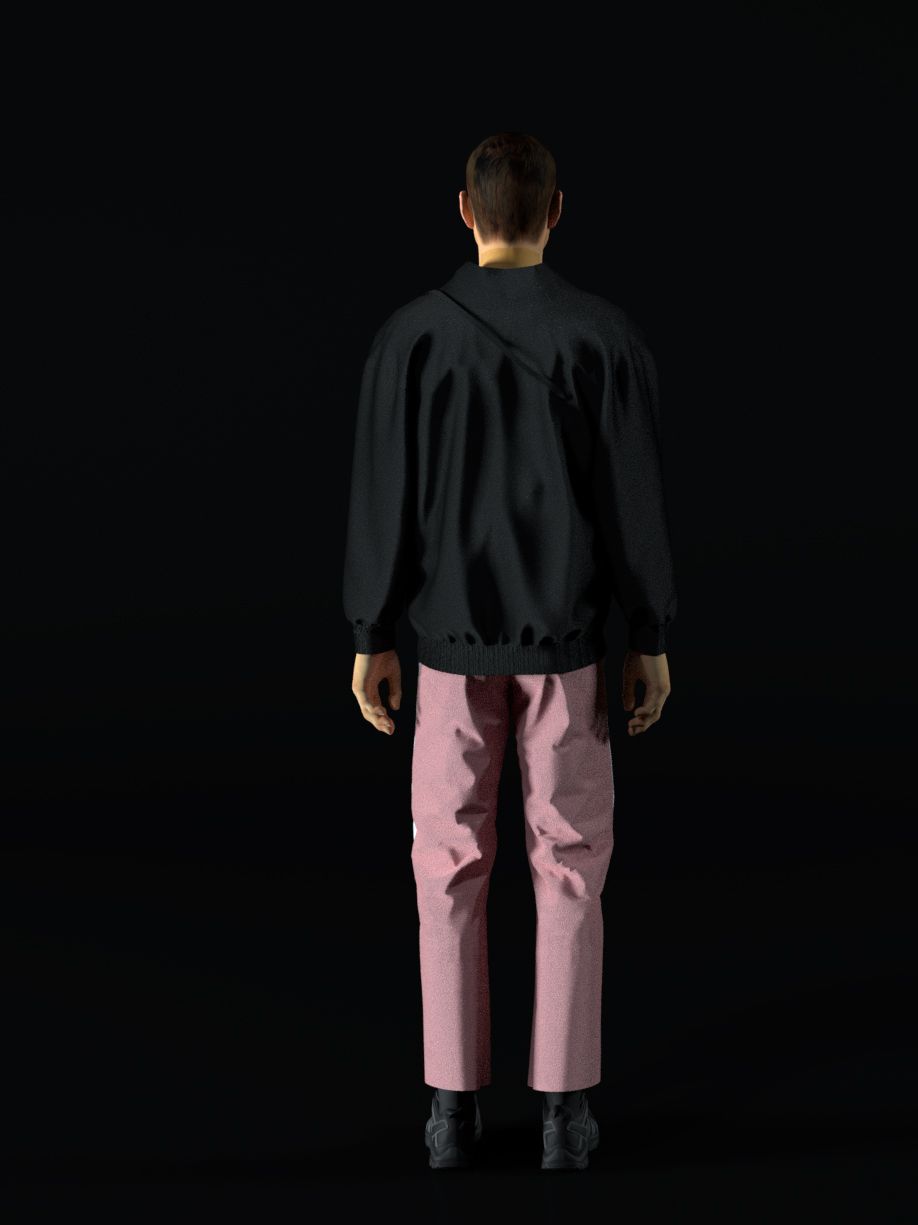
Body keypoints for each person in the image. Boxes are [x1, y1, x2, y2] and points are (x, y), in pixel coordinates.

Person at [342, 130, 677, 1169]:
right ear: (556, 212)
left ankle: (450, 1110)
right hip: (569, 649)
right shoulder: (601, 337)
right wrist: (648, 633)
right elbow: (632, 500)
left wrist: (371, 631)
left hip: (447, 650)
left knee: (445, 867)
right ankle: (567, 1116)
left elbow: (383, 496)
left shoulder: (410, 338)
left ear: (465, 211)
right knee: (571, 867)